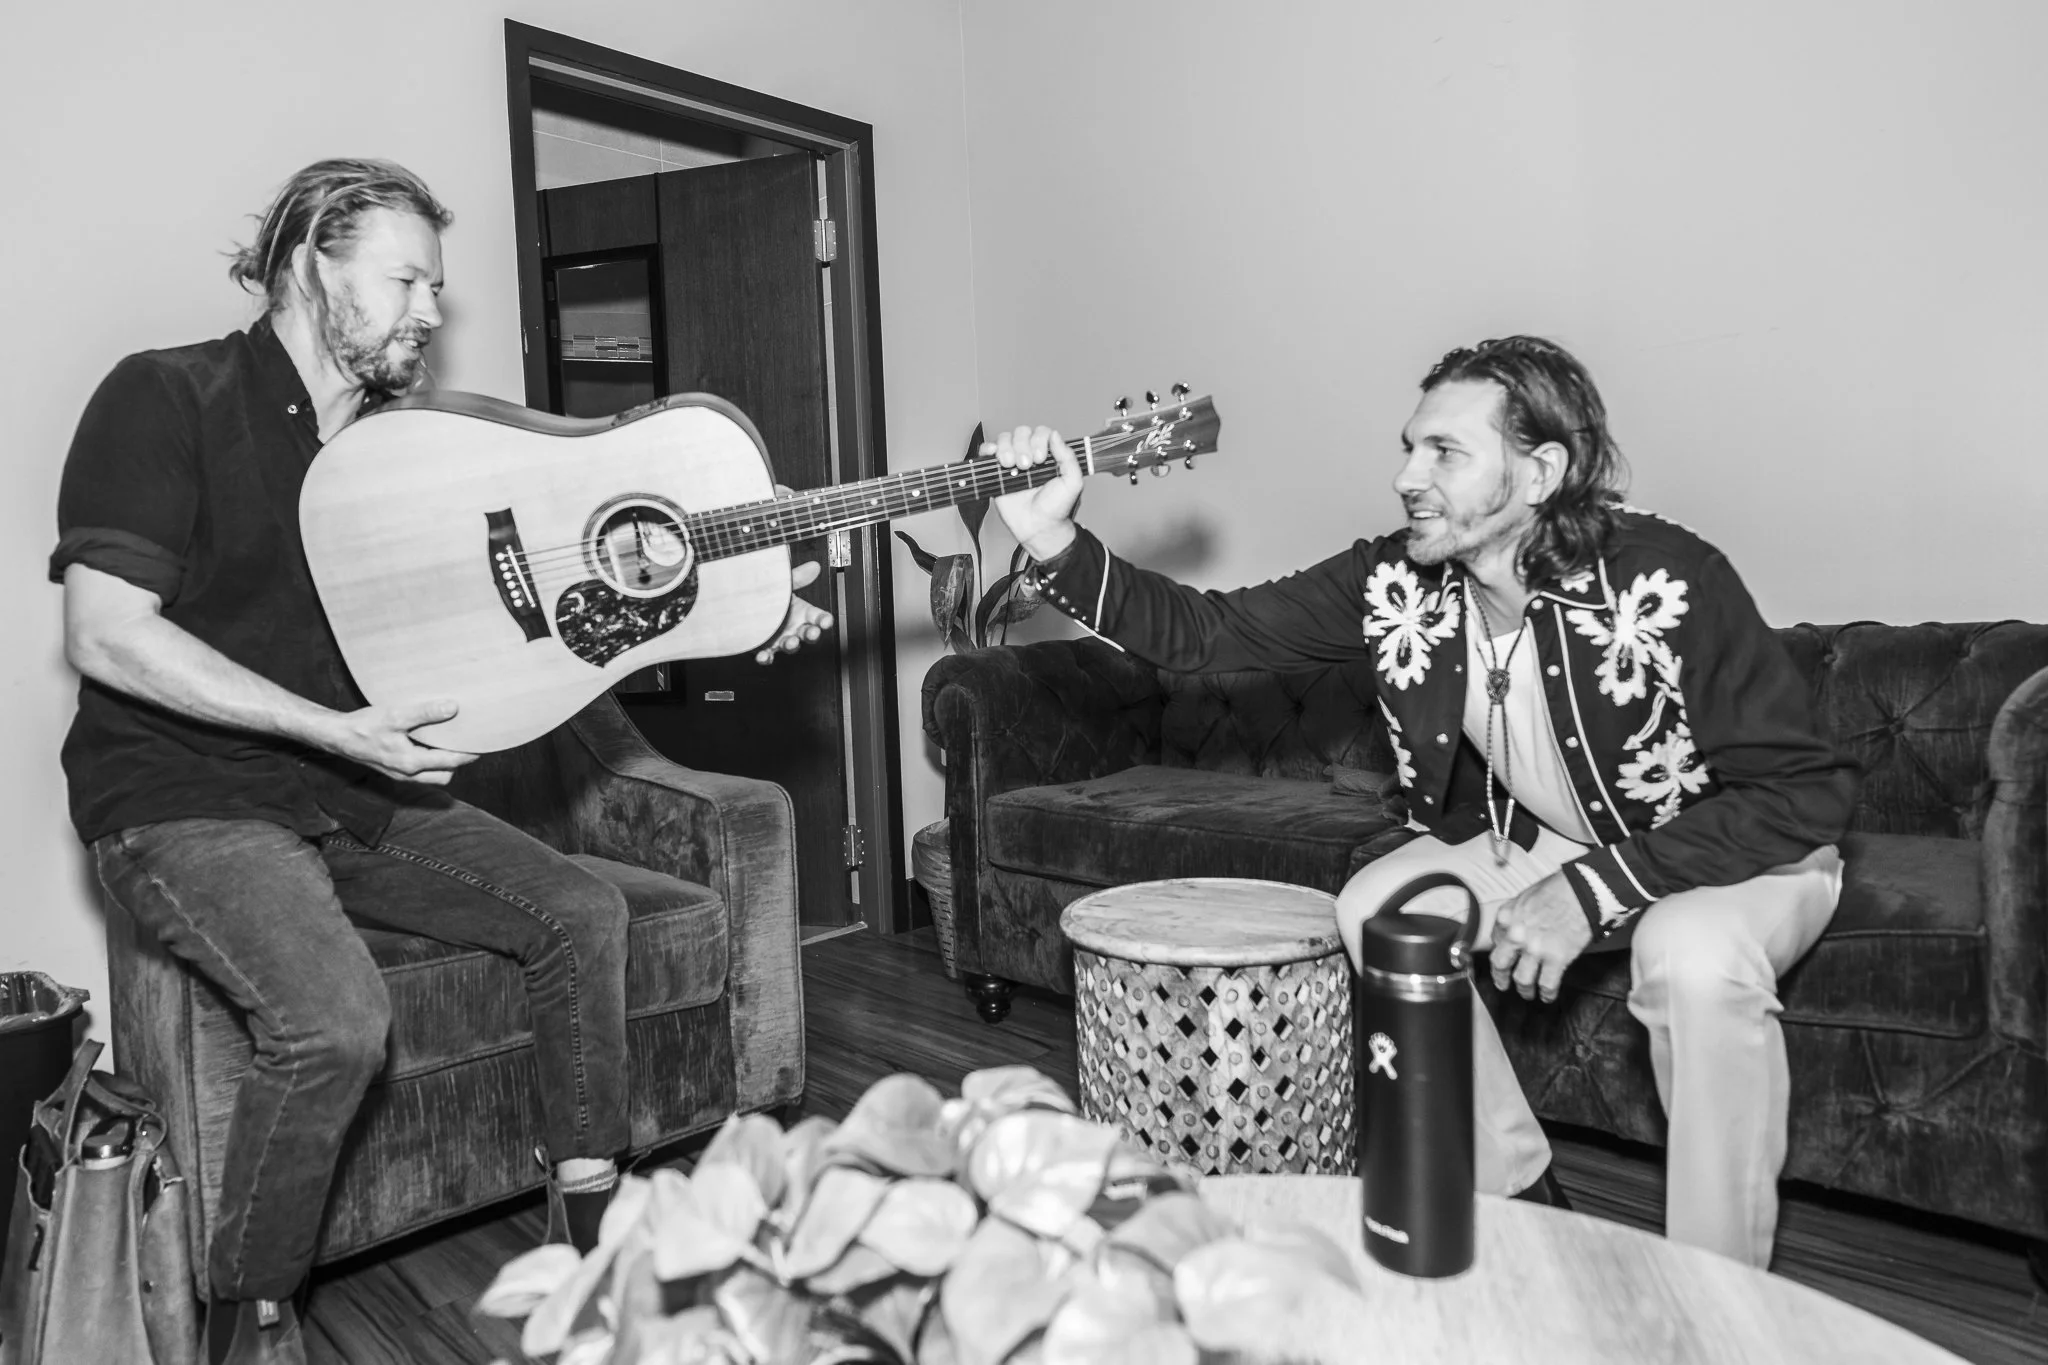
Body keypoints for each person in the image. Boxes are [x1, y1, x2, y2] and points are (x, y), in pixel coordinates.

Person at [50, 158, 833, 1365]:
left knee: (579, 910)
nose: (429, 308)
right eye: (405, 277)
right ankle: (247, 1317)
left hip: (356, 793)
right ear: (312, 257)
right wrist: (327, 728)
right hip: (183, 798)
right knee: (335, 1024)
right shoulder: (165, 396)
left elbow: (534, 622)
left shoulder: (409, 451)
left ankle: (592, 1238)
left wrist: (728, 606)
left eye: (435, 285)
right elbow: (106, 634)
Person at [986, 335, 1857, 1270]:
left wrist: (1596, 891)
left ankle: (1718, 1290)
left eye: (1444, 451)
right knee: (1383, 909)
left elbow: (1804, 793)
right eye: (1409, 447)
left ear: (1539, 471)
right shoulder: (1396, 579)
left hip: (1740, 853)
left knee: (1687, 953)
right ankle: (1519, 1197)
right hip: (1555, 843)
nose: (1408, 476)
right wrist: (1052, 542)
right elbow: (1209, 634)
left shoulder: (1666, 577)